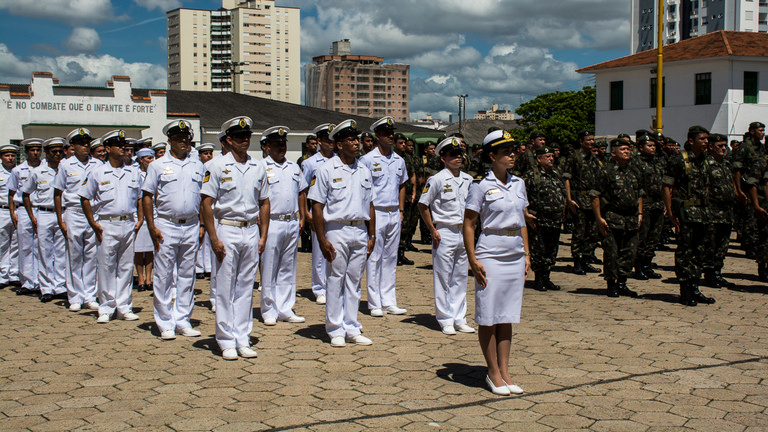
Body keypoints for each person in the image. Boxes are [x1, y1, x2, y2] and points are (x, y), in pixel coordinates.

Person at [463, 129, 528, 396]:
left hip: (514, 252)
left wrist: (527, 255)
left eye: (513, 151)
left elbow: (523, 221)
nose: (512, 155)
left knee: (507, 315)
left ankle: (505, 369)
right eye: (506, 152)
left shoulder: (519, 183)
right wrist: (472, 259)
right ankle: (492, 372)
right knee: (489, 315)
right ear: (492, 156)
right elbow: (468, 224)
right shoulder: (480, 185)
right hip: (490, 251)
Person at [200, 116, 270, 360]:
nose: (244, 140)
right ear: (228, 140)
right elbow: (206, 204)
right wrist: (213, 237)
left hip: (250, 229)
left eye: (247, 136)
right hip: (227, 228)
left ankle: (243, 337)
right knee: (225, 287)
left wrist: (263, 235)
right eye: (239, 136)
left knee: (245, 286)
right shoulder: (216, 166)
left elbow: (264, 202)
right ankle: (225, 339)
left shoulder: (258, 166)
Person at [308, 119, 375, 347]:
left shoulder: (364, 170)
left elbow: (371, 204)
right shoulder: (326, 170)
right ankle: (335, 328)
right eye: (350, 140)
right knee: (335, 279)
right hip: (336, 229)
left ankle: (352, 326)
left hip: (359, 229)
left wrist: (371, 234)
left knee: (354, 281)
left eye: (356, 139)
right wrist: (321, 238)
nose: (356, 143)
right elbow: (316, 205)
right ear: (338, 145)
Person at [142, 120, 205, 340]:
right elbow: (147, 196)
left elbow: (204, 198)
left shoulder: (198, 165)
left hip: (191, 224)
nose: (184, 141)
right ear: (170, 141)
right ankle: (164, 321)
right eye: (179, 138)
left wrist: (204, 225)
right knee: (164, 275)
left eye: (186, 137)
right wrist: (152, 226)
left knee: (188, 275)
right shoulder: (157, 165)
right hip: (166, 224)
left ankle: (183, 319)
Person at [80, 130, 143, 323]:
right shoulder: (97, 172)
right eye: (118, 145)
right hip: (106, 223)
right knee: (106, 266)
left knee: (125, 267)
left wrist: (140, 219)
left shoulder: (133, 171)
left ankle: (124, 306)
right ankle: (106, 307)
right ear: (107, 149)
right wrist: (93, 222)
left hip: (128, 223)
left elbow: (140, 197)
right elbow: (84, 197)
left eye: (124, 146)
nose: (123, 148)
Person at [417, 137, 474, 335]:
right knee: (443, 277)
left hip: (464, 231)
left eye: (459, 155)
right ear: (443, 158)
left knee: (460, 277)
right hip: (445, 231)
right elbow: (423, 204)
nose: (458, 158)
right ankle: (445, 318)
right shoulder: (437, 179)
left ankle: (459, 317)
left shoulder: (468, 179)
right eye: (452, 155)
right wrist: (432, 229)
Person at [662, 125, 716, 306]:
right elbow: (667, 187)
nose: (706, 142)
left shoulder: (707, 160)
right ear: (691, 141)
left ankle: (695, 287)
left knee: (700, 252)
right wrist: (670, 213)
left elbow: (708, 187)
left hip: (704, 214)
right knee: (686, 252)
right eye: (702, 139)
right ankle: (685, 290)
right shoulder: (679, 160)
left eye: (707, 139)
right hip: (686, 214)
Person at [259, 126, 307, 326]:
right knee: (269, 267)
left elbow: (301, 192)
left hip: (291, 221)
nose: (281, 147)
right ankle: (268, 309)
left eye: (284, 144)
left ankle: (285, 307)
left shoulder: (294, 167)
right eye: (277, 144)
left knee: (288, 267)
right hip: (271, 222)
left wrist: (303, 216)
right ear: (267, 146)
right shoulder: (260, 167)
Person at [360, 116, 408, 317]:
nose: (391, 136)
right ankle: (374, 302)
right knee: (374, 258)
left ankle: (389, 301)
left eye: (392, 133)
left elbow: (402, 185)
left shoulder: (399, 160)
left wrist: (401, 210)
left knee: (390, 258)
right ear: (377, 136)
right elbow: (363, 190)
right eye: (386, 133)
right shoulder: (367, 160)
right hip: (376, 213)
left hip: (393, 213)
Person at [53, 128, 102, 311]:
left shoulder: (97, 164)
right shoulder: (65, 165)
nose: (85, 146)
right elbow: (58, 193)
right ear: (72, 146)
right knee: (74, 254)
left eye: (87, 142)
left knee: (91, 255)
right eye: (81, 143)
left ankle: (89, 295)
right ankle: (74, 296)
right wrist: (61, 219)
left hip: (93, 212)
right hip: (73, 211)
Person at [591, 139, 643, 298]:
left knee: (629, 252)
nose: (627, 151)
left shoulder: (634, 171)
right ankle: (612, 284)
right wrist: (599, 218)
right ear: (613, 153)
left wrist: (640, 213)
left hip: (632, 219)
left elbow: (640, 194)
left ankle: (622, 283)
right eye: (623, 149)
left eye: (628, 149)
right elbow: (595, 196)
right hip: (613, 218)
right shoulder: (606, 171)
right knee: (612, 253)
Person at [22, 137, 68, 303]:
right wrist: (32, 216)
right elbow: (25, 194)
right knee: (44, 251)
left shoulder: (66, 169)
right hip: (44, 213)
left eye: (59, 151)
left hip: (62, 213)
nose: (57, 155)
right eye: (53, 152)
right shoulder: (37, 172)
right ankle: (47, 287)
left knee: (61, 252)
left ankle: (61, 286)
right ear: (46, 154)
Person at [522, 146, 566, 292]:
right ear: (539, 158)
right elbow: (523, 196)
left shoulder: (556, 174)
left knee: (552, 250)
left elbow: (563, 192)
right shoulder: (530, 175)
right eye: (548, 156)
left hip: (555, 219)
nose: (551, 158)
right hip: (539, 220)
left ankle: (547, 277)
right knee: (539, 250)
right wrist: (526, 215)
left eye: (552, 156)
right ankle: (539, 279)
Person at [301, 123, 335, 304]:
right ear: (319, 141)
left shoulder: (340, 159)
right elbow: (303, 189)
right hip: (318, 212)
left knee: (336, 252)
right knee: (319, 254)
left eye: (333, 139)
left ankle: (333, 286)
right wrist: (306, 214)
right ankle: (319, 288)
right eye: (327, 139)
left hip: (336, 213)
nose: (331, 142)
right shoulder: (310, 163)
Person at [563, 130, 602, 275]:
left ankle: (587, 260)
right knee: (579, 233)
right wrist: (569, 199)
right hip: (579, 200)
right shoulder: (574, 157)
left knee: (592, 233)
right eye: (588, 140)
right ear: (581, 141)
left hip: (592, 201)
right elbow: (567, 178)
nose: (591, 142)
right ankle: (577, 262)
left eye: (592, 139)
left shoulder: (593, 157)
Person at [8, 138, 43, 296]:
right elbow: (12, 193)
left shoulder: (46, 168)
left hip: (41, 209)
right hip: (23, 210)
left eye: (38, 150)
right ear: (27, 152)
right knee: (25, 246)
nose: (35, 153)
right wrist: (12, 213)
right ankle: (27, 282)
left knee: (41, 247)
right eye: (32, 150)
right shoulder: (18, 170)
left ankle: (40, 281)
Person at [702, 133, 736, 289]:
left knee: (723, 245)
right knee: (710, 245)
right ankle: (709, 275)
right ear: (710, 147)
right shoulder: (706, 164)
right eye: (720, 146)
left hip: (727, 211)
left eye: (725, 145)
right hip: (713, 212)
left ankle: (717, 273)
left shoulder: (726, 164)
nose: (723, 148)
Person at [630, 135, 665, 280]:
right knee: (642, 237)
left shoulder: (658, 162)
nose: (653, 148)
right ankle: (638, 267)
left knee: (654, 237)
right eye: (649, 145)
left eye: (654, 146)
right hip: (645, 204)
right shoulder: (636, 163)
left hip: (658, 204)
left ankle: (647, 265)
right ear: (640, 147)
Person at [133, 148, 155, 292]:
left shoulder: (154, 172)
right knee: (139, 249)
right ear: (141, 160)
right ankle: (140, 278)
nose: (151, 161)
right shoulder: (135, 173)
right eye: (148, 158)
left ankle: (149, 278)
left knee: (151, 249)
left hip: (154, 214)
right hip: (137, 215)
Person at [0, 144, 19, 289]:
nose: (10, 158)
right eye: (7, 155)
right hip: (3, 210)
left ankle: (14, 274)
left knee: (17, 243)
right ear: (1, 157)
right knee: (2, 244)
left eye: (12, 155)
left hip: (18, 210)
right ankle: (2, 275)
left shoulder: (19, 171)